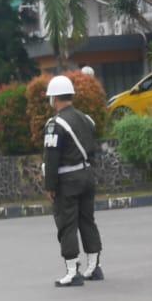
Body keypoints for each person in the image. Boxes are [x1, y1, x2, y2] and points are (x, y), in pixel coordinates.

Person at [42, 75, 103, 287]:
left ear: (54, 99)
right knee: (87, 220)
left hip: (67, 180)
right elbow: (93, 149)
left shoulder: (55, 124)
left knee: (67, 223)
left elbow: (51, 158)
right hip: (87, 176)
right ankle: (94, 267)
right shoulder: (86, 119)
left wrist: (50, 186)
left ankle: (71, 271)